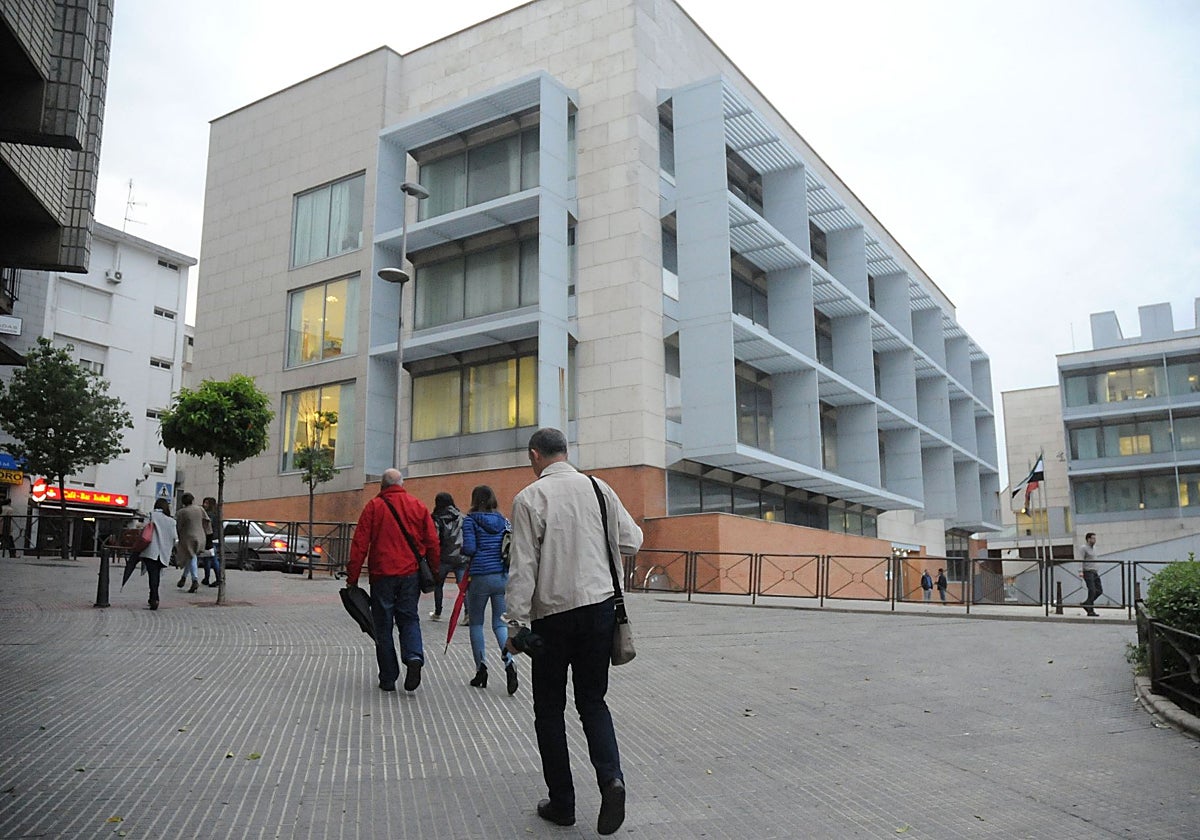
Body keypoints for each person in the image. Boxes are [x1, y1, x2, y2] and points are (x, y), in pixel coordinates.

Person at [505, 428, 643, 836]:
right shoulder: (600, 489)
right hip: (600, 609)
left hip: (552, 617)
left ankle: (563, 804)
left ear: (535, 456)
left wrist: (515, 624)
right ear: (565, 453)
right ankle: (611, 780)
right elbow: (632, 541)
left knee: (549, 710)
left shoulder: (530, 498)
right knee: (592, 701)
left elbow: (523, 566)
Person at [346, 468, 439, 692]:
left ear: (382, 486)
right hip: (410, 574)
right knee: (409, 618)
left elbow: (360, 544)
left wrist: (353, 578)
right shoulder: (417, 505)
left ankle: (388, 677)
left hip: (382, 575)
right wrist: (435, 572)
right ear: (402, 484)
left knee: (383, 625)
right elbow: (433, 542)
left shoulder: (374, 507)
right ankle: (414, 657)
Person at [462, 485, 517, 694]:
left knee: (476, 623)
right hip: (502, 577)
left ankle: (481, 669)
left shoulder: (470, 520)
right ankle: (509, 662)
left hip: (480, 577)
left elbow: (469, 548)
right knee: (499, 624)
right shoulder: (504, 521)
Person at [429, 492, 465, 620]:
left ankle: (437, 613)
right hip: (460, 557)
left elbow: (434, 539)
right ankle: (468, 614)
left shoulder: (436, 518)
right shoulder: (461, 516)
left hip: (443, 558)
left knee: (438, 585)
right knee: (463, 587)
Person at [138, 498, 178, 610]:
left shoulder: (151, 516)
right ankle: (153, 597)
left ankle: (154, 597)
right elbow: (175, 537)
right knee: (156, 575)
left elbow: (143, 529)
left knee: (152, 575)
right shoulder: (171, 521)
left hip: (151, 551)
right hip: (163, 553)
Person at [175, 493, 209, 593]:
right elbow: (207, 520)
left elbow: (178, 525)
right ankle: (184, 578)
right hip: (201, 536)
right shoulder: (200, 509)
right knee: (191, 557)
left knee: (191, 556)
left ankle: (194, 579)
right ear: (193, 500)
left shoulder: (181, 512)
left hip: (188, 537)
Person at [200, 496, 220, 587]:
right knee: (207, 559)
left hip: (210, 539)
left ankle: (218, 579)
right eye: (204, 502)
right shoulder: (216, 514)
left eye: (207, 503)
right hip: (214, 538)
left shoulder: (209, 515)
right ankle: (207, 578)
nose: (204, 505)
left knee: (212, 559)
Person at [1080, 532, 1101, 617]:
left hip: (1095, 571)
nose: (1094, 540)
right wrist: (1080, 571)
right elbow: (1080, 560)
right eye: (1093, 538)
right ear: (1088, 539)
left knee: (1099, 590)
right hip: (1087, 571)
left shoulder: (1095, 548)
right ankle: (1090, 610)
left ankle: (1087, 603)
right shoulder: (1083, 548)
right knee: (1092, 590)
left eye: (1095, 538)